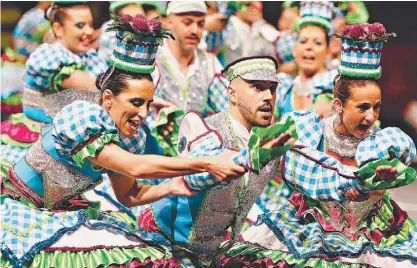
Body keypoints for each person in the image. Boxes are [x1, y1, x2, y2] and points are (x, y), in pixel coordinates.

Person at [0, 15, 247, 268]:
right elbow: (134, 167)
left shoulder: (125, 138)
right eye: (136, 102)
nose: (144, 114)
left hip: (62, 212)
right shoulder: (82, 118)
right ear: (108, 98)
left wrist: (173, 187)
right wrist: (205, 163)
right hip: (23, 210)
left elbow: (130, 194)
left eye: (149, 104)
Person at [218, 22, 417, 268]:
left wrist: (373, 186)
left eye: (376, 106)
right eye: (363, 107)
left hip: (368, 234)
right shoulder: (310, 132)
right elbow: (299, 172)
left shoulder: (381, 142)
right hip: (311, 228)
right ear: (338, 105)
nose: (371, 116)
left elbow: (382, 183)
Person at [91, 55, 298, 266]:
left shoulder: (271, 142)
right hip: (167, 244)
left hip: (212, 251)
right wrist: (246, 158)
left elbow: (129, 194)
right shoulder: (202, 128)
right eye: (257, 87)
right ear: (231, 94)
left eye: (272, 89)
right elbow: (195, 174)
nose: (268, 97)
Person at [0, 1, 108, 166]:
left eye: (90, 25)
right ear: (58, 29)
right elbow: (94, 83)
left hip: (76, 141)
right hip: (44, 141)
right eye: (80, 25)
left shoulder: (90, 57)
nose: (89, 31)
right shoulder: (50, 56)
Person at [148, 2, 230, 156]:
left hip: (195, 159)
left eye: (200, 24)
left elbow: (229, 109)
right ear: (168, 21)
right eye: (187, 22)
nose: (195, 30)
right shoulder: (151, 59)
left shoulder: (209, 62)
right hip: (154, 160)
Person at [275, 1, 338, 121]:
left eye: (318, 42)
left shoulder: (336, 89)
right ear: (294, 49)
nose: (309, 47)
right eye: (303, 41)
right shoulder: (283, 90)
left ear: (328, 50)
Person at [204, 1, 280, 67]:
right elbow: (210, 50)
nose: (255, 6)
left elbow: (274, 61)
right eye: (249, 4)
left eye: (258, 2)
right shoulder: (226, 25)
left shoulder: (265, 29)